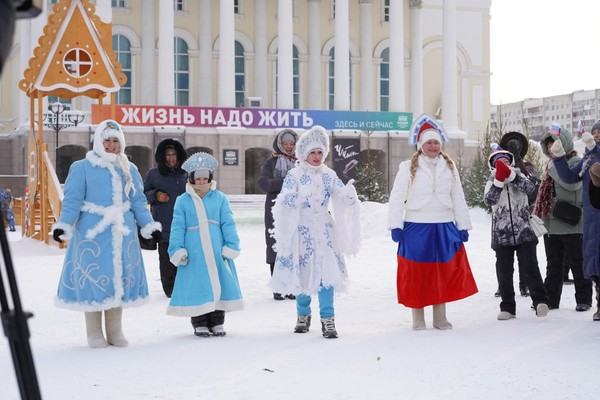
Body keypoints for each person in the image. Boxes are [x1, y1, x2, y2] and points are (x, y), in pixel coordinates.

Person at [52, 120, 162, 348]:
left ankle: (114, 330)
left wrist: (148, 225)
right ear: (98, 142)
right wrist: (64, 224)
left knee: (118, 279)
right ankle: (94, 332)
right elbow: (72, 199)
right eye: (107, 140)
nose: (112, 145)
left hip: (123, 232)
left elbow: (138, 201)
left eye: (116, 141)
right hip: (92, 232)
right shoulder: (82, 167)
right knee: (93, 278)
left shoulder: (129, 168)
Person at [269, 125, 361, 339]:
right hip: (302, 232)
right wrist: (300, 197)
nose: (317, 157)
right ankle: (303, 314)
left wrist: (349, 196)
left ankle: (328, 319)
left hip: (325, 231)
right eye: (313, 153)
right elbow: (283, 199)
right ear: (304, 154)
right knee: (302, 275)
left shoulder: (329, 174)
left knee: (326, 274)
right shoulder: (294, 174)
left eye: (320, 152)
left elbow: (339, 194)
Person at [388, 114, 477, 330]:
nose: (433, 146)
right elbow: (397, 197)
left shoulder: (449, 166)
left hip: (444, 225)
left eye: (436, 142)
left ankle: (440, 316)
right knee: (417, 272)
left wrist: (462, 224)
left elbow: (458, 196)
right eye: (429, 142)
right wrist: (395, 225)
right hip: (416, 227)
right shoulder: (408, 166)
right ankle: (418, 317)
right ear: (421, 145)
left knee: (443, 271)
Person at [167, 152, 243, 337]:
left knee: (219, 283)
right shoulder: (183, 201)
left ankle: (217, 321)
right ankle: (199, 321)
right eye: (197, 179)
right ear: (191, 179)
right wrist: (177, 249)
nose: (201, 182)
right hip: (194, 252)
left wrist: (231, 244)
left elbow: (228, 222)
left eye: (204, 178)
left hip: (216, 250)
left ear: (210, 178)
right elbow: (177, 226)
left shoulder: (219, 198)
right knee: (198, 284)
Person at [484, 146, 550, 320]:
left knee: (530, 267)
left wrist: (512, 176)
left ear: (511, 163)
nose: (503, 165)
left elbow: (532, 190)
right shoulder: (491, 182)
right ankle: (507, 307)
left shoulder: (520, 177)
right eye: (499, 163)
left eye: (506, 161)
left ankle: (540, 301)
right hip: (502, 234)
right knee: (504, 271)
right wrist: (499, 181)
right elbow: (489, 200)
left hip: (524, 232)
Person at [534, 127, 592, 311]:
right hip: (553, 223)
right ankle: (551, 299)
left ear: (565, 143)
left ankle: (584, 300)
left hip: (572, 222)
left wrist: (553, 167)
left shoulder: (577, 161)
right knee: (554, 264)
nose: (552, 148)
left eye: (555, 144)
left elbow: (573, 184)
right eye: (549, 145)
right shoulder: (551, 164)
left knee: (578, 263)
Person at [551, 121, 600, 320]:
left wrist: (595, 148)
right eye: (595, 132)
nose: (596, 135)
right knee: (595, 264)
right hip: (591, 219)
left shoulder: (593, 153)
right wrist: (560, 157)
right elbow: (570, 178)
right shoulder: (588, 156)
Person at [497, 131, 541, 297]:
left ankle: (526, 285)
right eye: (511, 146)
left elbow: (531, 187)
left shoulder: (527, 166)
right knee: (502, 259)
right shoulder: (497, 165)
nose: (513, 148)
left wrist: (518, 163)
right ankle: (503, 286)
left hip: (523, 217)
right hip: (503, 220)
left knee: (527, 256)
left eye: (516, 146)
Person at [144, 138, 188, 297]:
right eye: (168, 154)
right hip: (163, 225)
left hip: (184, 225)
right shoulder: (153, 174)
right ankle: (170, 290)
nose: (171, 157)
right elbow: (143, 195)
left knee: (183, 257)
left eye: (174, 154)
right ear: (163, 156)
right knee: (166, 259)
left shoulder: (185, 174)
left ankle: (184, 285)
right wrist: (155, 195)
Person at [258, 128, 299, 301]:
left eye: (292, 144)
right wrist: (286, 183)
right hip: (275, 210)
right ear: (279, 144)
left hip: (295, 210)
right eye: (285, 144)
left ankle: (291, 286)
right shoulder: (271, 162)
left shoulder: (301, 162)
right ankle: (278, 286)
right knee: (276, 246)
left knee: (292, 246)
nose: (289, 147)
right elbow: (263, 183)